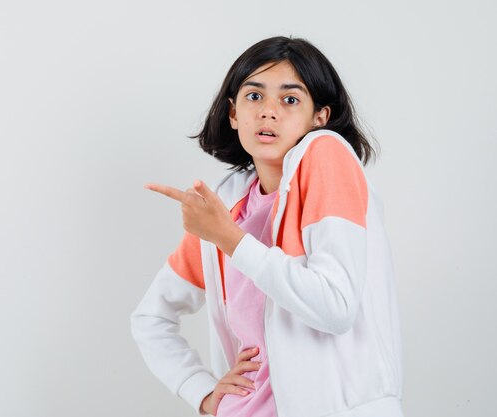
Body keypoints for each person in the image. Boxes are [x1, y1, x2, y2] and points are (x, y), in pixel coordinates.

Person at [130, 36, 404, 417]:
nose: (268, 112)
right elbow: (151, 318)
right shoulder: (226, 206)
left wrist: (229, 238)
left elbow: (335, 307)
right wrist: (204, 393)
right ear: (233, 113)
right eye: (254, 97)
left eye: (290, 99)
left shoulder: (327, 156)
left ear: (319, 117)